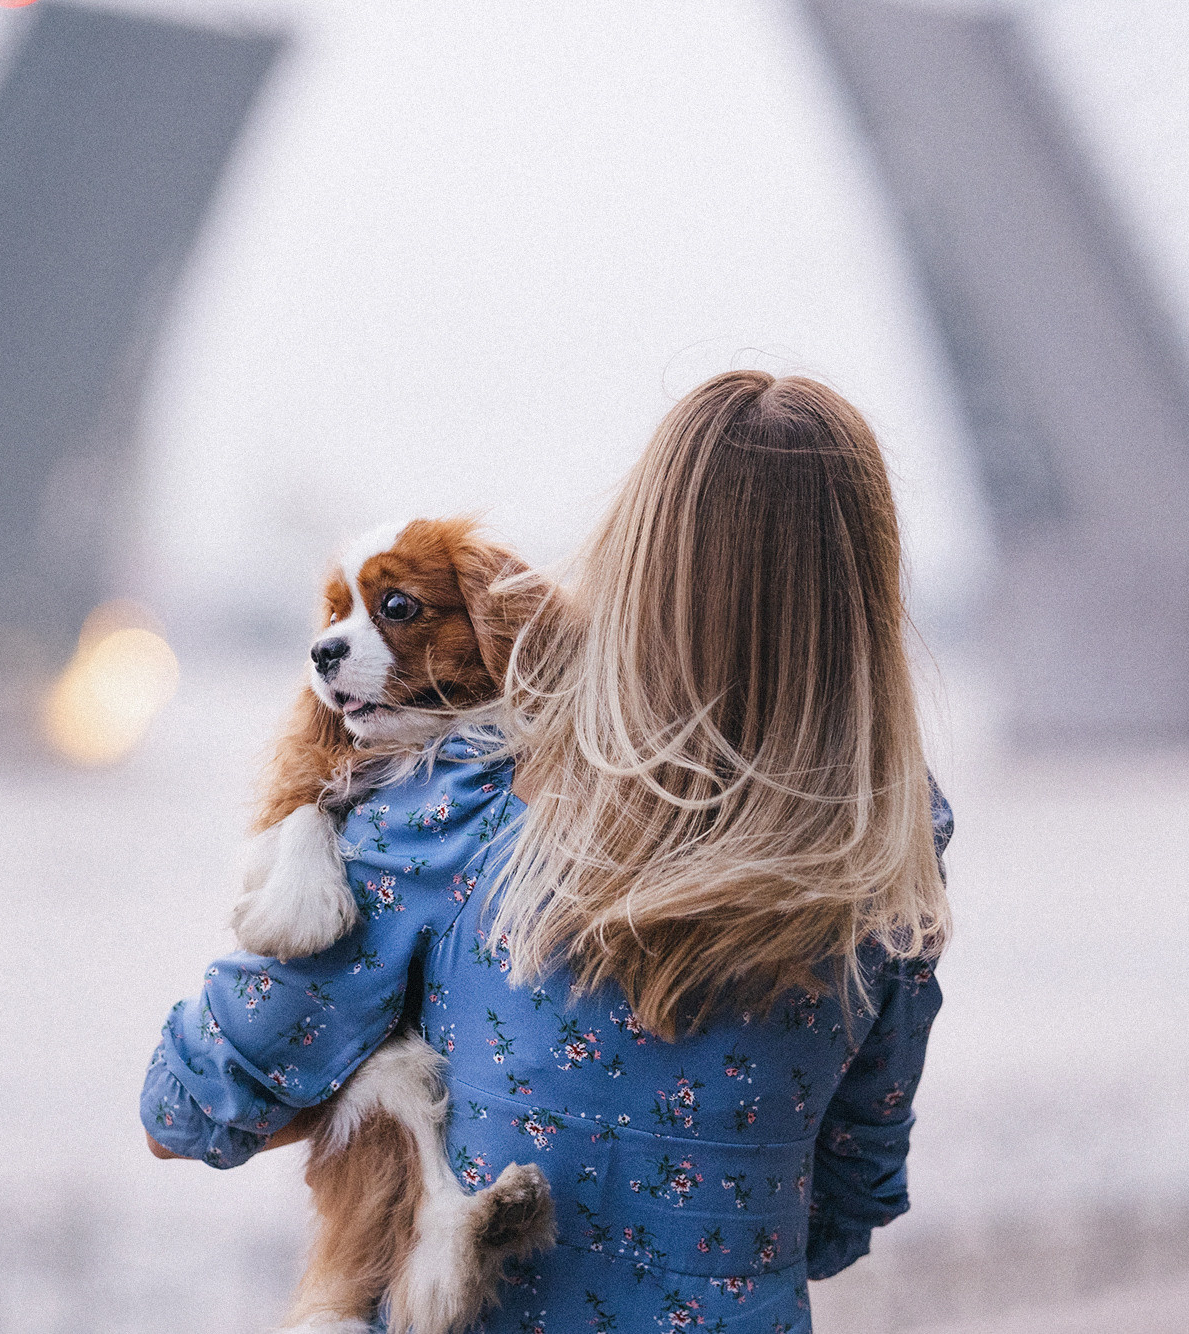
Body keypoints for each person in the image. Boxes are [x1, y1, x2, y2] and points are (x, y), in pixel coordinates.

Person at [142, 371, 954, 1331]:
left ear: (636, 558)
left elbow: (187, 1109)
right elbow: (846, 1207)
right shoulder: (891, 852)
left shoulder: (458, 802)